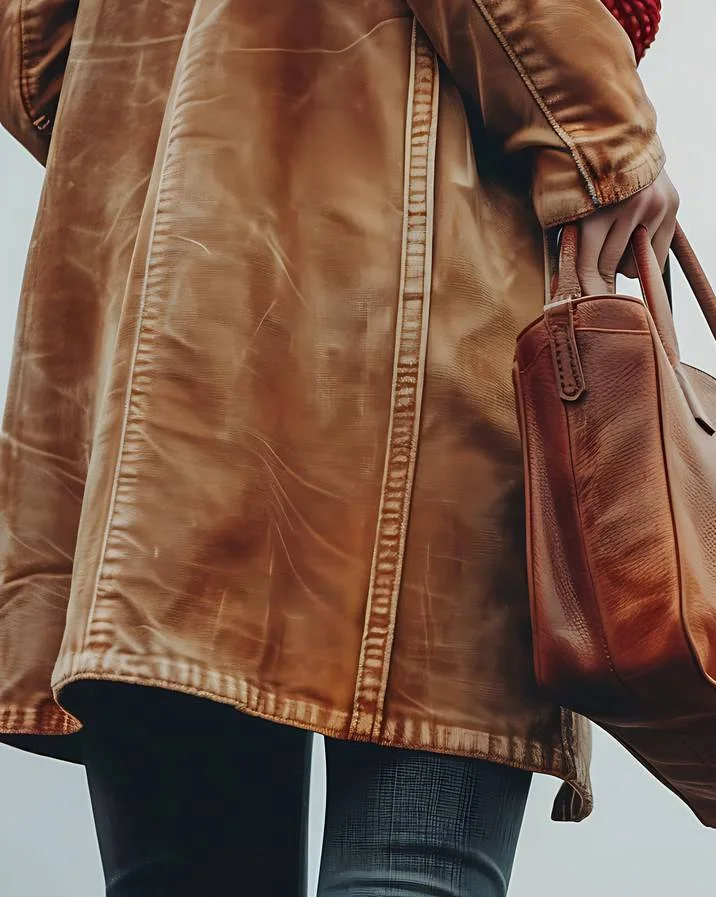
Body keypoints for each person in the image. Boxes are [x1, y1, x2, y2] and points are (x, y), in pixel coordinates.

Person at [0, 2, 678, 895]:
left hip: (159, 377)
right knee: (412, 869)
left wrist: (205, 136)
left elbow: (30, 55)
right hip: (412, 341)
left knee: (186, 874)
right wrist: (606, 142)